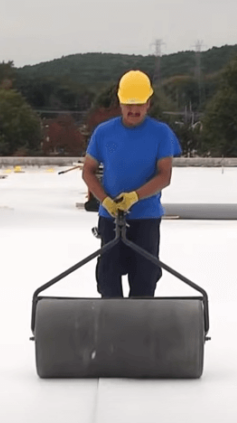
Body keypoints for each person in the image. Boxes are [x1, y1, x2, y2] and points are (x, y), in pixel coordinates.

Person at [82, 70, 182, 298]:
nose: (134, 110)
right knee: (108, 280)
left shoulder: (161, 133)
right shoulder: (104, 133)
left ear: (149, 103)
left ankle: (140, 326)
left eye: (139, 104)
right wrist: (106, 201)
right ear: (120, 102)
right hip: (110, 218)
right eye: (129, 104)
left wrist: (134, 197)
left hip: (146, 217)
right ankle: (111, 324)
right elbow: (88, 171)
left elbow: (164, 176)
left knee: (145, 281)